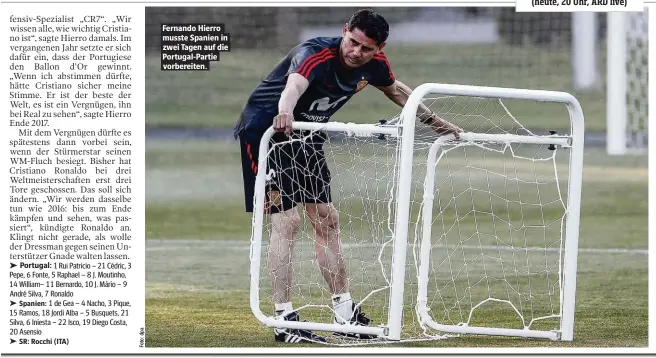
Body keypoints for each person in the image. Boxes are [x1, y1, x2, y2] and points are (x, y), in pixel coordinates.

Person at [234, 9, 462, 344]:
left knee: (327, 220)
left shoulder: (375, 65)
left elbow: (396, 90)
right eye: (353, 42)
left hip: (307, 136)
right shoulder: (314, 54)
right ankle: (284, 319)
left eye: (366, 48)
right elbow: (294, 86)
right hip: (266, 134)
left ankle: (344, 313)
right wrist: (284, 113)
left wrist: (436, 122)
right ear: (345, 31)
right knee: (288, 222)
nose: (356, 52)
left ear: (378, 48)